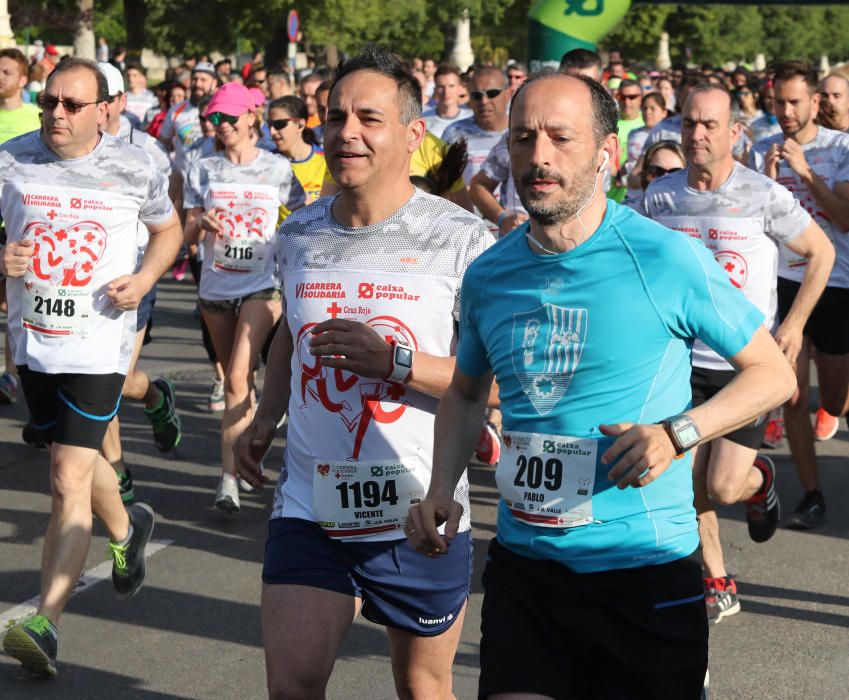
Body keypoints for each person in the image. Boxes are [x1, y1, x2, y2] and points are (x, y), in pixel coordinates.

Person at [405, 71, 796, 699]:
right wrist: (439, 486)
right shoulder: (489, 273)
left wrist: (677, 434)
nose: (540, 156)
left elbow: (773, 373)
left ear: (606, 154)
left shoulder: (663, 257)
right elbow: (468, 392)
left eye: (562, 138)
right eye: (524, 138)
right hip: (526, 572)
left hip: (644, 573)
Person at [234, 45, 494, 700]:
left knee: (423, 689)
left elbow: (485, 381)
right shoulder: (299, 235)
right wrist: (265, 416)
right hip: (310, 507)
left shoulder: (462, 240)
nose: (346, 132)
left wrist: (392, 362)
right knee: (290, 688)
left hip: (420, 508)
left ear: (412, 135)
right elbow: (294, 328)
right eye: (334, 116)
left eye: (367, 118)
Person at [0, 57, 182, 677]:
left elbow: (169, 231)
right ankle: (130, 528)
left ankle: (47, 623)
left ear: (103, 109)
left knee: (65, 480)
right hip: (35, 341)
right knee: (69, 461)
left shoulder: (138, 165)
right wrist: (4, 258)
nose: (56, 113)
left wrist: (147, 277)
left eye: (71, 104)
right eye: (50, 100)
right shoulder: (12, 158)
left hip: (99, 345)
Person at [642, 84, 833, 623]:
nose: (697, 135)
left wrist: (793, 326)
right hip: (680, 364)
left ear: (734, 133)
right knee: (686, 480)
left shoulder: (762, 194)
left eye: (708, 125)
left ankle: (760, 481)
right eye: (688, 125)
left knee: (723, 485)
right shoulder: (661, 196)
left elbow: (820, 253)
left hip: (743, 368)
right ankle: (716, 578)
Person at [183, 82, 305, 512]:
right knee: (240, 385)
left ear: (251, 118)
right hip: (215, 288)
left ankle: (229, 479)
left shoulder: (277, 169)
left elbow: (302, 221)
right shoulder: (202, 168)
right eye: (213, 119)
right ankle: (250, 444)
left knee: (237, 377)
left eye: (229, 118)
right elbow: (187, 234)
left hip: (262, 285)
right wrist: (201, 225)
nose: (220, 126)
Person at [749, 61, 849, 530]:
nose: (785, 112)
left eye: (794, 102)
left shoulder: (841, 147)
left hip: (836, 283)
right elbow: (755, 223)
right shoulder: (762, 149)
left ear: (814, 102)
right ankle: (811, 496)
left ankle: (834, 410)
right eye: (778, 102)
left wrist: (805, 174)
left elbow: (843, 219)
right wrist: (767, 181)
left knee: (834, 397)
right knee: (790, 395)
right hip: (784, 284)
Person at [94, 62, 182, 503]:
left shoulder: (146, 150)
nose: (98, 109)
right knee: (99, 378)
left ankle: (152, 395)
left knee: (118, 381)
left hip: (133, 276)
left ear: (120, 102)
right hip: (83, 282)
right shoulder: (60, 150)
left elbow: (169, 214)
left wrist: (149, 272)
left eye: (105, 100)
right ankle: (118, 470)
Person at [0, 48, 42, 405]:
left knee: (15, 304)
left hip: (20, 223)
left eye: (6, 72)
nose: (0, 77)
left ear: (23, 79)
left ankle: (13, 374)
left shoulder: (34, 117)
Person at [442, 67, 509, 190]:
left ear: (508, 94)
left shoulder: (520, 132)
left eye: (492, 93)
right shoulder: (454, 133)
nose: (484, 101)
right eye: (476, 95)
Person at [267, 96, 328, 205]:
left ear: (301, 125)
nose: (272, 132)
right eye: (269, 125)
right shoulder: (267, 163)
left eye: (279, 124)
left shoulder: (326, 160)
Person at [623, 92, 669, 200]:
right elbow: (631, 158)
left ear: (664, 112)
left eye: (653, 108)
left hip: (655, 193)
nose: (648, 112)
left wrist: (637, 175)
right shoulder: (633, 133)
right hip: (632, 192)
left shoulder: (667, 136)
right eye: (644, 108)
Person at [423, 64, 472, 139]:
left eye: (451, 86)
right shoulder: (423, 120)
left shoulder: (472, 118)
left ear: (459, 88)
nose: (446, 91)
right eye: (441, 87)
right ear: (435, 89)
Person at [123, 63, 159, 128]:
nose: (130, 78)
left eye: (134, 75)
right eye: (128, 75)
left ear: (140, 77)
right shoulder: (123, 97)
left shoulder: (151, 96)